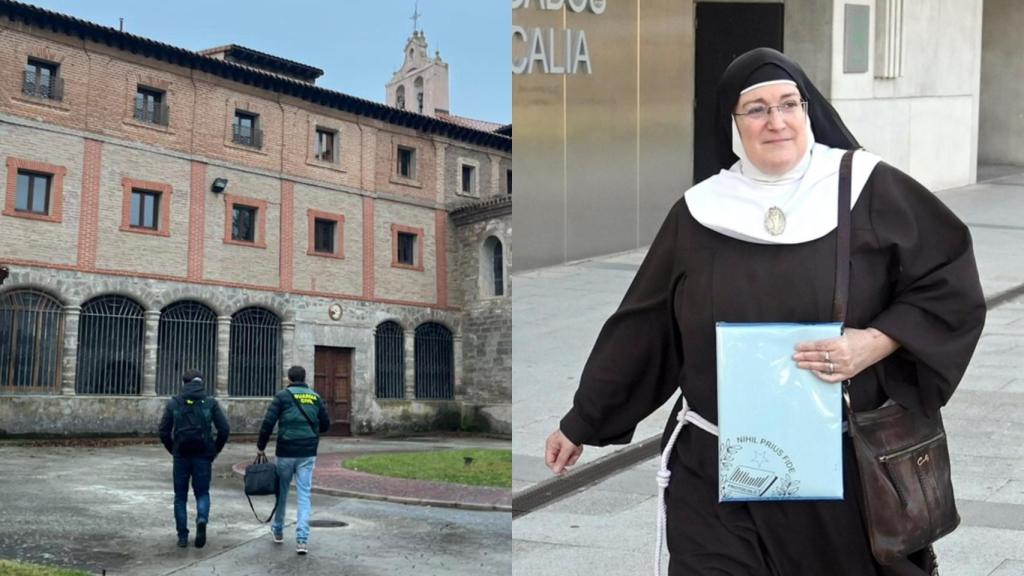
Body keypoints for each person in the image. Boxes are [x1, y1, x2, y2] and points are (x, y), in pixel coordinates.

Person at [544, 48, 986, 575]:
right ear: (732, 123)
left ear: (808, 110)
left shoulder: (868, 188)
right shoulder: (700, 212)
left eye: (788, 104)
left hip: (840, 471)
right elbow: (646, 327)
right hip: (715, 468)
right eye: (755, 109)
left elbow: (947, 280)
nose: (776, 121)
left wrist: (873, 341)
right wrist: (583, 420)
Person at [257, 365, 330, 555]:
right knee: (304, 495)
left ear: (289, 379)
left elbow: (268, 423)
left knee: (281, 492)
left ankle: (279, 530)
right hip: (307, 451)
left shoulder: (282, 396)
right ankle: (302, 540)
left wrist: (261, 446)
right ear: (305, 378)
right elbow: (325, 425)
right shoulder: (315, 397)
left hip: (286, 451)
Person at [158, 369, 230, 549]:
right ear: (201, 382)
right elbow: (224, 429)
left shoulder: (174, 402)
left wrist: (173, 449)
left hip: (181, 455)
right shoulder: (210, 402)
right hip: (203, 455)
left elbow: (163, 431)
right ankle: (202, 519)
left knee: (180, 497)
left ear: (184, 383)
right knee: (203, 493)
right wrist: (214, 450)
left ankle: (182, 536)